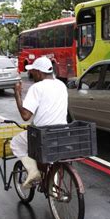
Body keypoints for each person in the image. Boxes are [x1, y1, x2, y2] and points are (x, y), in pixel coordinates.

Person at [10, 56, 68, 188]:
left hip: (43, 134)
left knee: (16, 143)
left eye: (33, 71)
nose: (31, 74)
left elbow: (25, 116)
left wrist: (17, 94)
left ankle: (33, 171)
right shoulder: (61, 85)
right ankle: (53, 184)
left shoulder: (37, 88)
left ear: (40, 73)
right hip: (62, 132)